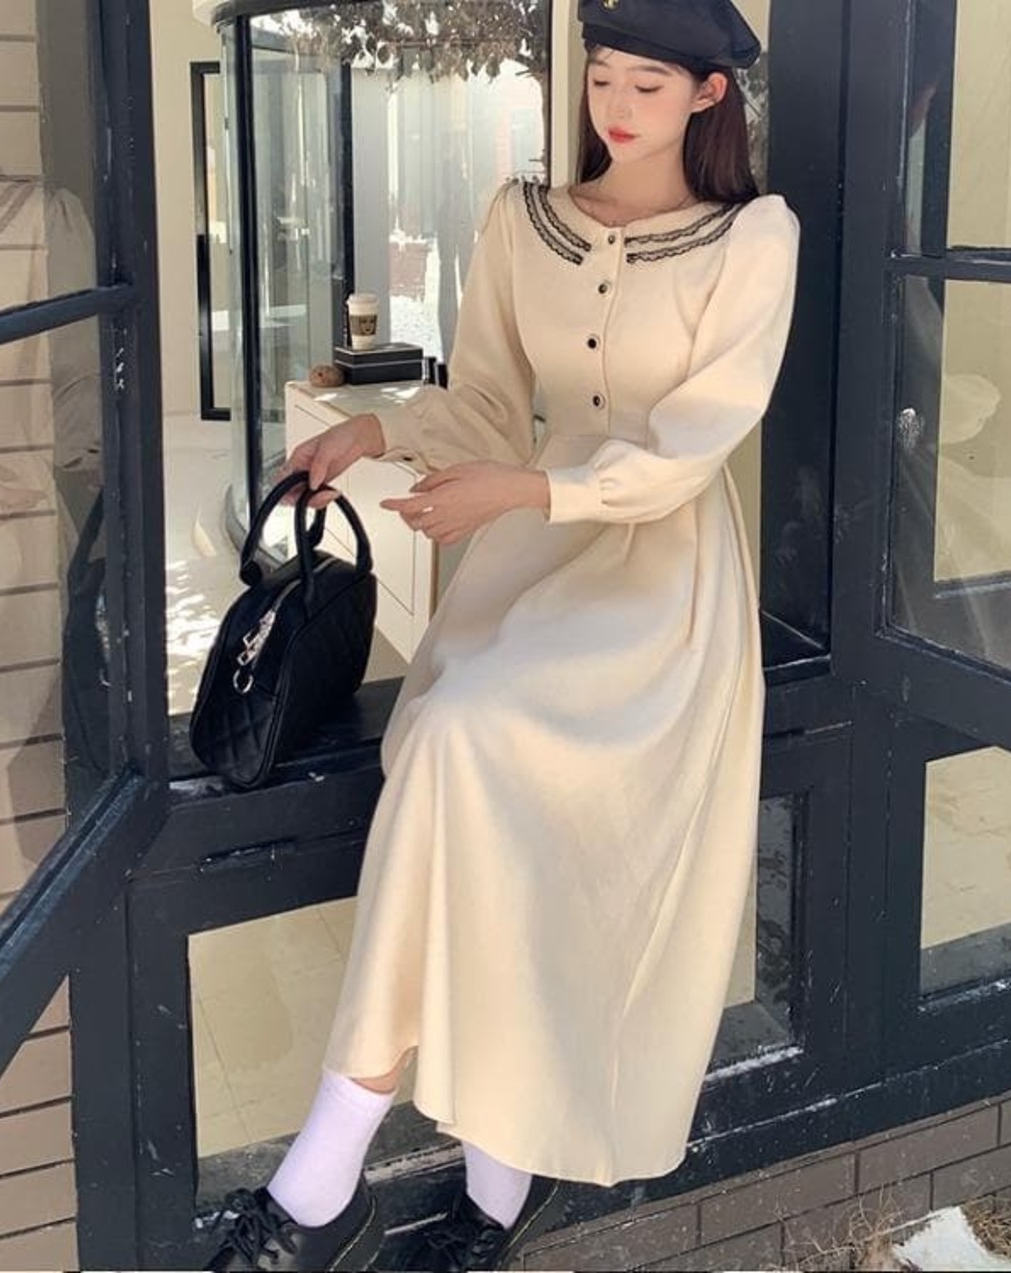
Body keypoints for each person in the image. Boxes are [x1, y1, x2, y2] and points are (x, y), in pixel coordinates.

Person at [205, 0, 800, 1268]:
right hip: (531, 564)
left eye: (647, 84)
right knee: (466, 791)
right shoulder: (522, 219)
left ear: (707, 95)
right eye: (602, 76)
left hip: (662, 580)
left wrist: (525, 490)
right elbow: (483, 401)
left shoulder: (753, 237)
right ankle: (484, 1192)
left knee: (465, 745)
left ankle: (328, 1172)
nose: (615, 105)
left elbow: (692, 444)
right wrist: (371, 434)